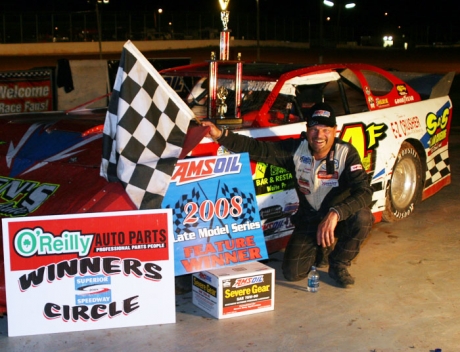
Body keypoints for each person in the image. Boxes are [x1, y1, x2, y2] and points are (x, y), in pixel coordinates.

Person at [201, 102, 374, 288]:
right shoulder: (295, 149)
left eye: (325, 129)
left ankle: (339, 263)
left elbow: (364, 191)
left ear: (335, 130)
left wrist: (336, 213)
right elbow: (258, 149)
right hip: (310, 219)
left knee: (363, 217)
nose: (319, 135)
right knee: (292, 273)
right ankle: (322, 248)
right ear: (307, 130)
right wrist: (220, 135)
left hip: (338, 219)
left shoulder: (347, 154)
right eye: (314, 129)